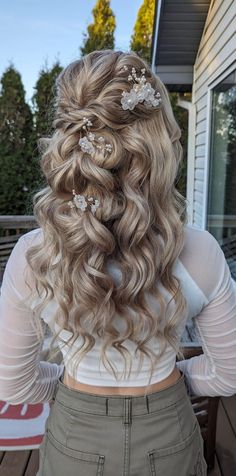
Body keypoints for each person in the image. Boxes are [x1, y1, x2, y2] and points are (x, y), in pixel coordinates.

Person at [0, 50, 236, 476]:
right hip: (170, 431)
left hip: (75, 432)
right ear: (159, 144)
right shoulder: (199, 252)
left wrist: (71, 381)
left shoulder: (34, 255)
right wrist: (172, 375)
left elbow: (13, 384)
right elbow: (228, 374)